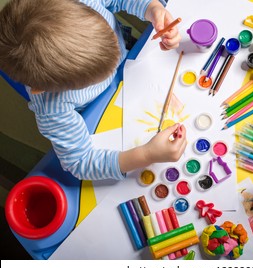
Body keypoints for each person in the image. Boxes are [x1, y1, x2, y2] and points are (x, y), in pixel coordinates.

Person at [0, 0, 187, 180]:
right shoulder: (52, 108)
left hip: (135, 58)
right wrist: (147, 155)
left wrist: (153, 9)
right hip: (105, 116)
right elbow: (80, 162)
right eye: (89, 81)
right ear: (39, 89)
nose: (111, 69)